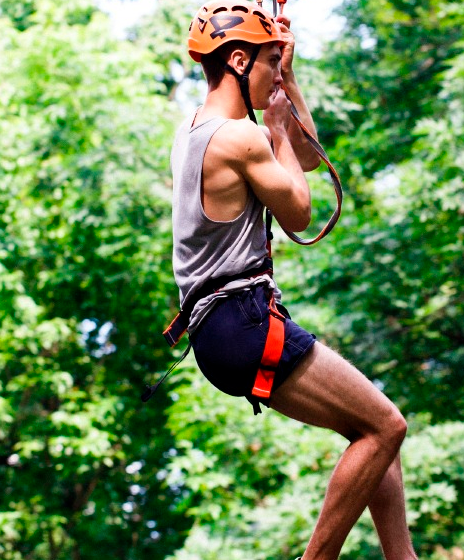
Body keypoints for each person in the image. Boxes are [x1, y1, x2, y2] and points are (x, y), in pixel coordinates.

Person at [169, 1, 418, 558]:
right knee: (387, 427)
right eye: (265, 64)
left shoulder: (191, 130)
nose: (271, 75)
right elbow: (301, 212)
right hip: (244, 323)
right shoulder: (242, 138)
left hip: (222, 330)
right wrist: (277, 124)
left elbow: (302, 158)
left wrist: (289, 80)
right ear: (238, 58)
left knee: (372, 432)